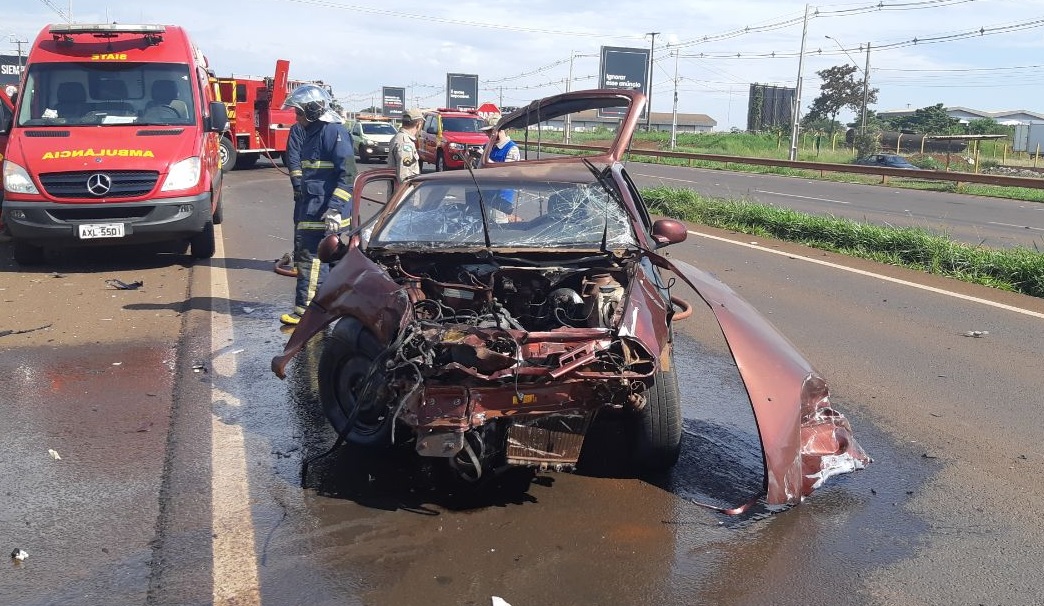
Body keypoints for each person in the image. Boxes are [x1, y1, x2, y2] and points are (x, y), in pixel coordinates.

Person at [279, 84, 357, 326]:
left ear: (312, 111)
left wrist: (334, 207)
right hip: (312, 208)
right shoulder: (313, 132)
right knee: (329, 262)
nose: (296, 116)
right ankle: (337, 307)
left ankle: (306, 312)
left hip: (324, 211)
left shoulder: (333, 132)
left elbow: (348, 174)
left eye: (299, 112)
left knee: (311, 259)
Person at [388, 108, 423, 183]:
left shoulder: (398, 137)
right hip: (405, 192)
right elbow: (404, 177)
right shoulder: (405, 142)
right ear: (418, 124)